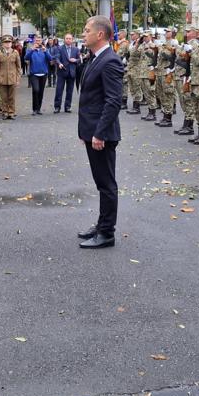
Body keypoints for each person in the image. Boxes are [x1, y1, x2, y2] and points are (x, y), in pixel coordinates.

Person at [76, 15, 124, 249]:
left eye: (87, 30)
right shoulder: (96, 58)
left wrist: (99, 134)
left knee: (106, 184)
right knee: (101, 183)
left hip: (101, 135)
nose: (83, 34)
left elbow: (113, 101)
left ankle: (107, 233)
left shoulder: (110, 61)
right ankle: (101, 224)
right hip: (92, 131)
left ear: (100, 34)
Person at [23, 37, 52, 115]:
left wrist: (45, 51)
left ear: (41, 41)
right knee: (36, 90)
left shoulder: (44, 50)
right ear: (34, 41)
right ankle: (34, 109)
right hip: (34, 74)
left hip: (43, 74)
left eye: (39, 40)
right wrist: (32, 50)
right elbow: (26, 58)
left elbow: (50, 59)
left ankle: (38, 109)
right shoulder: (30, 49)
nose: (38, 42)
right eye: (36, 40)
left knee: (41, 92)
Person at [0, 35, 21, 119]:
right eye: (5, 42)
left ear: (11, 43)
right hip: (3, 78)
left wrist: (17, 78)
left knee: (12, 97)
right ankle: (5, 112)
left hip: (12, 78)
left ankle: (11, 112)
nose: (7, 44)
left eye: (9, 42)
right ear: (2, 44)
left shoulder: (15, 52)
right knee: (4, 97)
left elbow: (18, 67)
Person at [54, 33, 81, 113]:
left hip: (71, 72)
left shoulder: (76, 49)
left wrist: (75, 60)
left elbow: (80, 60)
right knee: (59, 90)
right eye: (67, 38)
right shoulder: (59, 48)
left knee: (70, 91)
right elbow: (57, 57)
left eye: (70, 38)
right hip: (62, 72)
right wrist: (59, 63)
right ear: (64, 39)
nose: (68, 40)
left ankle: (67, 107)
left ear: (72, 40)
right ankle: (57, 107)